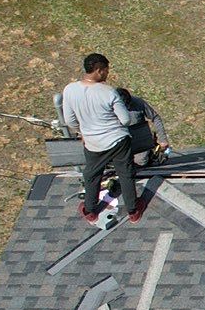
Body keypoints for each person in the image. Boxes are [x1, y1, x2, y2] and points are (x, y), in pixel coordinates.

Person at [59, 52, 148, 225]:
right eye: (106, 70)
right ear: (99, 70)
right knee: (125, 173)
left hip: (92, 142)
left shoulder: (70, 90)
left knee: (92, 174)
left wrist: (83, 132)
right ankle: (133, 210)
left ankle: (90, 210)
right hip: (117, 140)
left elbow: (69, 120)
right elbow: (125, 119)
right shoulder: (108, 92)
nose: (107, 74)